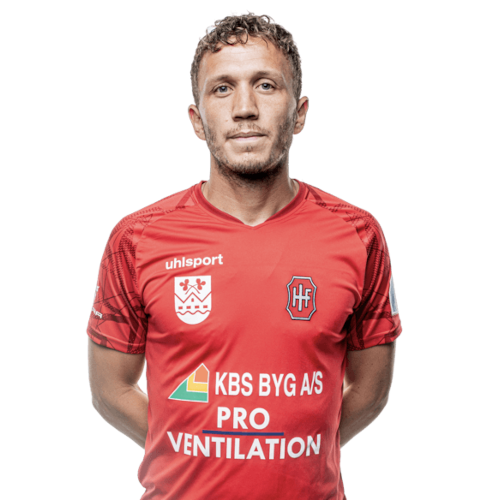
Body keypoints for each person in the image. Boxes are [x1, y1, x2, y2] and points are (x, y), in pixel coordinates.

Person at [86, 11, 402, 500]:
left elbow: (371, 390)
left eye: (266, 85)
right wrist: (195, 448)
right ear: (197, 120)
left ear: (300, 113)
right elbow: (110, 390)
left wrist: (299, 447)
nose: (245, 109)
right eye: (222, 89)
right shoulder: (136, 238)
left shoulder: (359, 235)